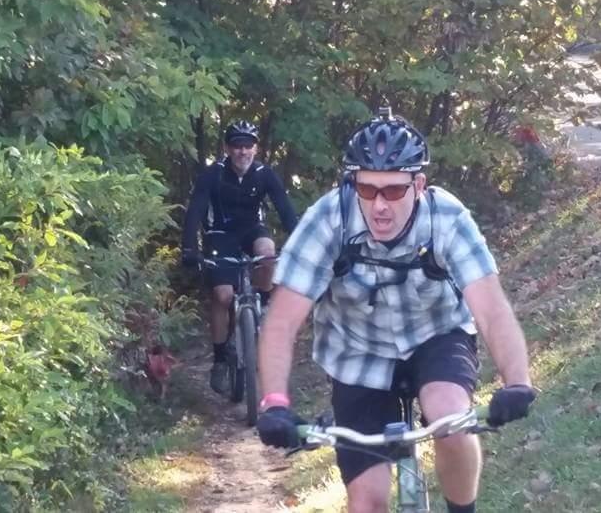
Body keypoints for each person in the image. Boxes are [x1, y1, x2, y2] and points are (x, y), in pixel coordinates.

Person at [254, 108, 536, 513]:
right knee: (366, 504)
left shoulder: (447, 218)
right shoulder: (328, 219)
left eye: (393, 191)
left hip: (436, 335)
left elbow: (491, 309)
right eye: (367, 190)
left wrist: (517, 382)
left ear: (419, 185)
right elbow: (281, 322)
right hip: (356, 354)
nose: (379, 205)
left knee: (450, 418)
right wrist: (275, 403)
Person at [181, 120, 299, 396]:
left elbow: (285, 210)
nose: (242, 151)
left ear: (255, 148)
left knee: (268, 252)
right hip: (219, 234)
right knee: (222, 295)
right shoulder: (212, 175)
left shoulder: (264, 174)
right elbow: (195, 212)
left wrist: (300, 240)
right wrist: (188, 249)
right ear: (226, 148)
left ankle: (264, 303)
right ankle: (221, 358)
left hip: (250, 231)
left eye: (248, 145)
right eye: (236, 145)